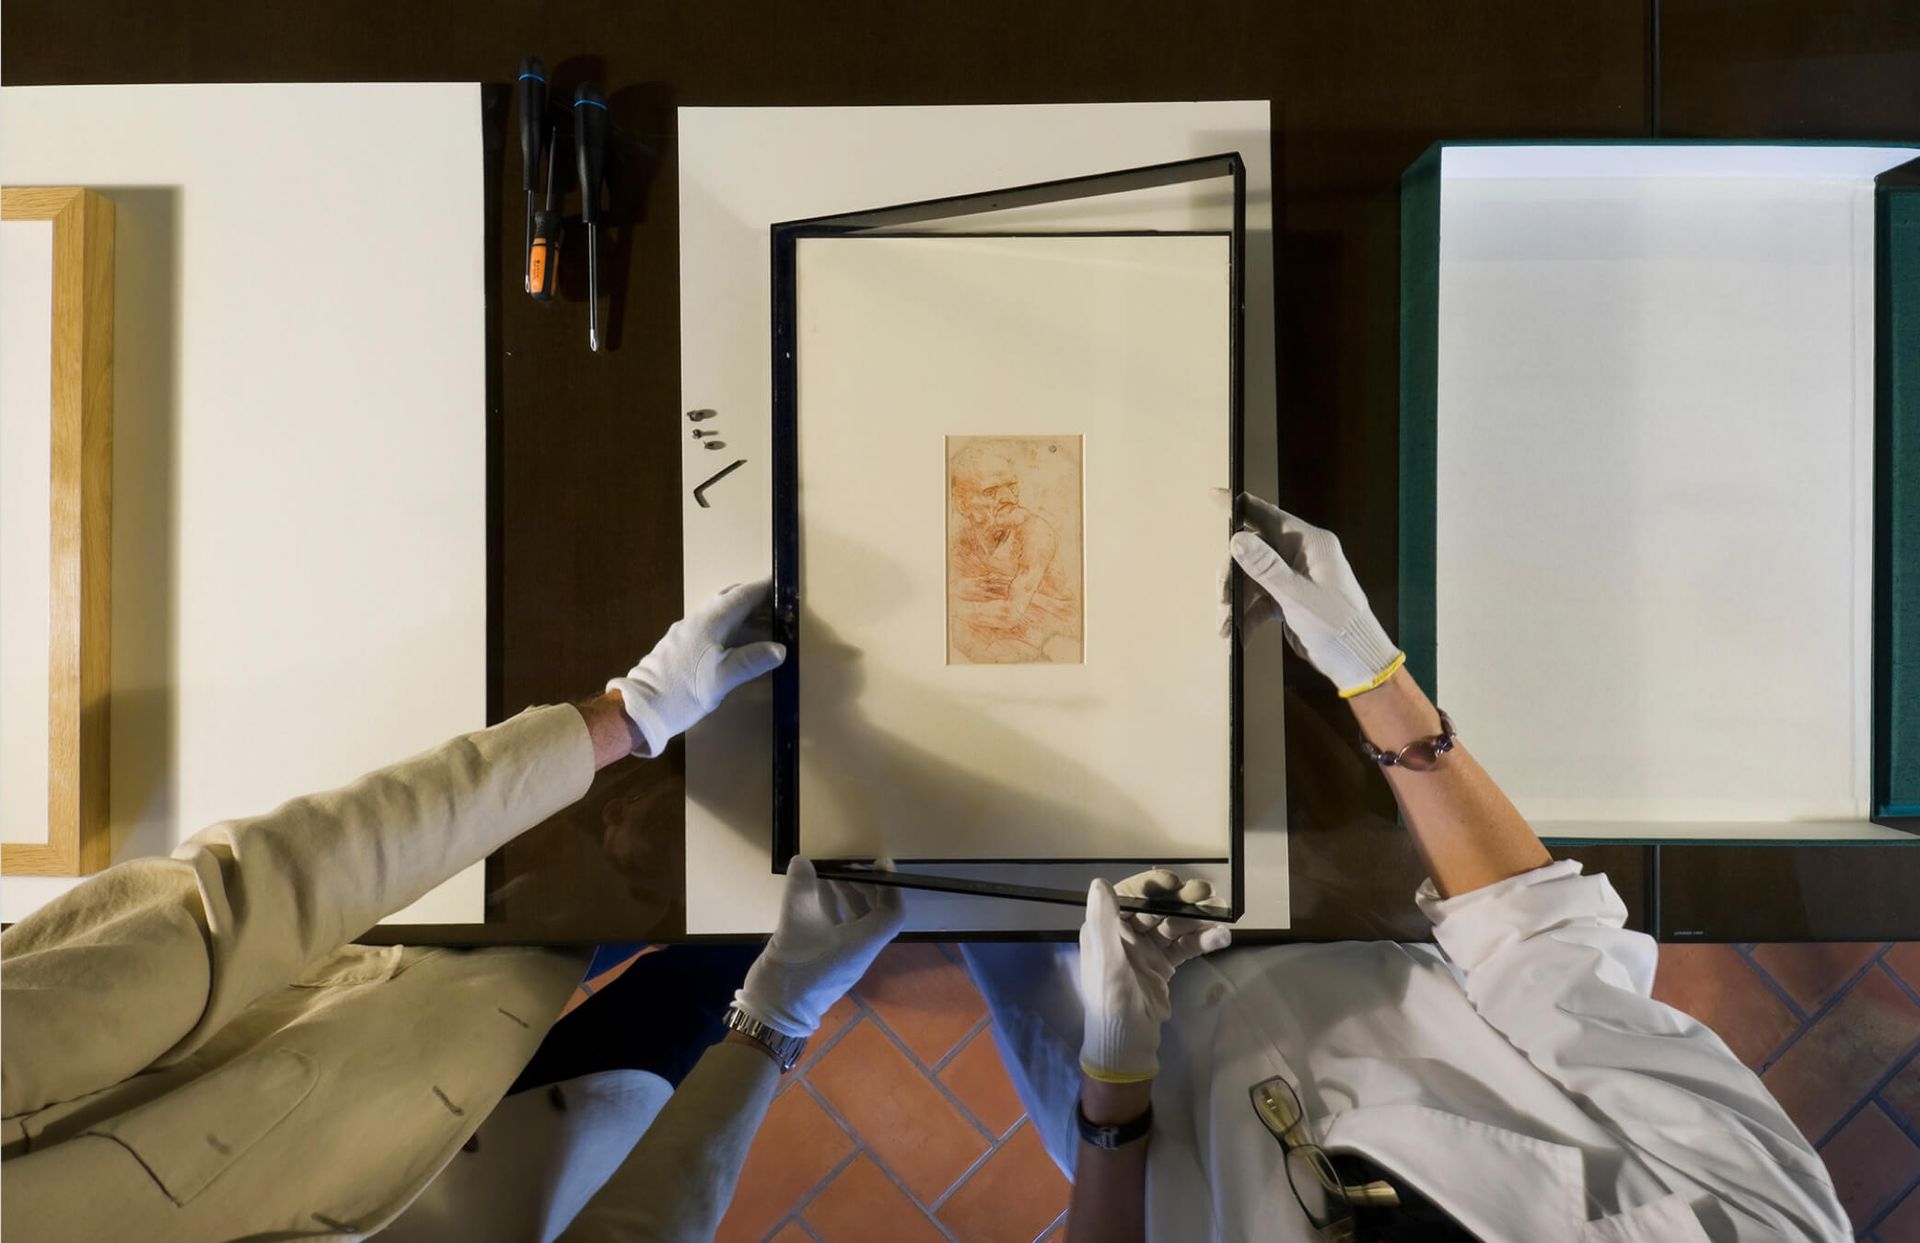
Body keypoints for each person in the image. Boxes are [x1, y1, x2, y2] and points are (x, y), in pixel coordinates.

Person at [965, 497, 1852, 1243]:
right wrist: (1368, 668)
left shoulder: (1120, 1093)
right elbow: (1544, 954)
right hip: (1345, 920)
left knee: (951, 841)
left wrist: (1113, 1079)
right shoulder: (1777, 1227)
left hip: (1140, 1124)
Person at [0, 580, 905, 1242]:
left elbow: (247, 904)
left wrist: (628, 715)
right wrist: (773, 1019)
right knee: (719, 976)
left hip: (388, 1016)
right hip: (523, 1188)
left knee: (710, 873)